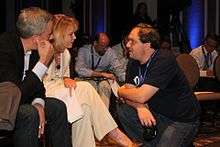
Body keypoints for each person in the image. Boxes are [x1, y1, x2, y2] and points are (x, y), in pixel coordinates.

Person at [43, 15, 138, 147]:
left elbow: (63, 75)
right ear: (59, 34)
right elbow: (42, 79)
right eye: (71, 34)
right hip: (44, 91)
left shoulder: (66, 53)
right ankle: (116, 134)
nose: (75, 37)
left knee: (85, 109)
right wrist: (65, 79)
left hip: (61, 90)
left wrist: (66, 78)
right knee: (86, 87)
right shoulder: (44, 49)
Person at [116, 23, 201, 147]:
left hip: (181, 120)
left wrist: (119, 91)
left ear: (147, 44)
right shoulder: (133, 61)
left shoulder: (164, 59)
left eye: (132, 41)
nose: (127, 45)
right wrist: (140, 107)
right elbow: (131, 95)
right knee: (123, 108)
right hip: (156, 113)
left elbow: (140, 96)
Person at [0, 7, 71, 147]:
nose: (51, 37)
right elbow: (15, 95)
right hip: (5, 106)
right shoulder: (4, 48)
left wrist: (39, 103)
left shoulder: (34, 49)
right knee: (29, 113)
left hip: (22, 100)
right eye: (49, 33)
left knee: (57, 107)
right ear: (36, 38)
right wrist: (43, 63)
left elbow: (38, 87)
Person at [75, 32, 125, 107]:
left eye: (106, 46)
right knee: (91, 86)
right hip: (86, 78)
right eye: (102, 46)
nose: (105, 49)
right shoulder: (84, 50)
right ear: (95, 43)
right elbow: (79, 69)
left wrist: (127, 80)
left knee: (105, 87)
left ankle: (104, 114)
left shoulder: (110, 52)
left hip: (102, 79)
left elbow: (118, 68)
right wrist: (101, 74)